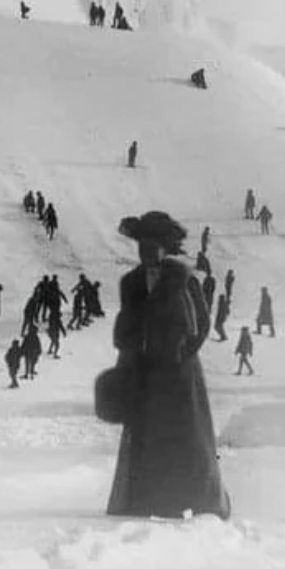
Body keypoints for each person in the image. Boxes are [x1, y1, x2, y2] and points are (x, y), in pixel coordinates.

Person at [106, 210, 229, 520]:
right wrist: (130, 349)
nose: (146, 252)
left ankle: (199, 501)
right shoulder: (130, 283)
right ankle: (148, 500)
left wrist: (182, 353)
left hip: (180, 373)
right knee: (149, 437)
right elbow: (126, 327)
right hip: (146, 373)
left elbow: (201, 323)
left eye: (152, 245)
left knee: (188, 437)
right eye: (141, 245)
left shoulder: (183, 278)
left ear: (164, 246)